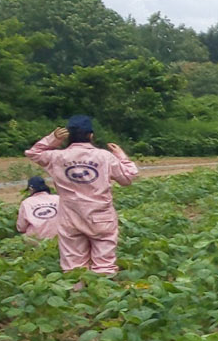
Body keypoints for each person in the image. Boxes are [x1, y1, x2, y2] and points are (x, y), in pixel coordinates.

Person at [24, 116, 138, 274]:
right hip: (101, 216)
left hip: (70, 217)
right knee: (104, 265)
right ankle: (102, 293)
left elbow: (33, 153)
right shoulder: (104, 156)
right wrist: (121, 156)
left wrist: (52, 139)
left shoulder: (57, 157)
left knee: (74, 267)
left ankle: (77, 295)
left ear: (68, 136)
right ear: (90, 135)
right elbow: (128, 178)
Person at [16, 176, 60, 240]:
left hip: (38, 239)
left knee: (23, 237)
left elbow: (21, 228)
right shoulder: (57, 198)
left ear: (31, 189)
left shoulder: (26, 203)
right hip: (60, 236)